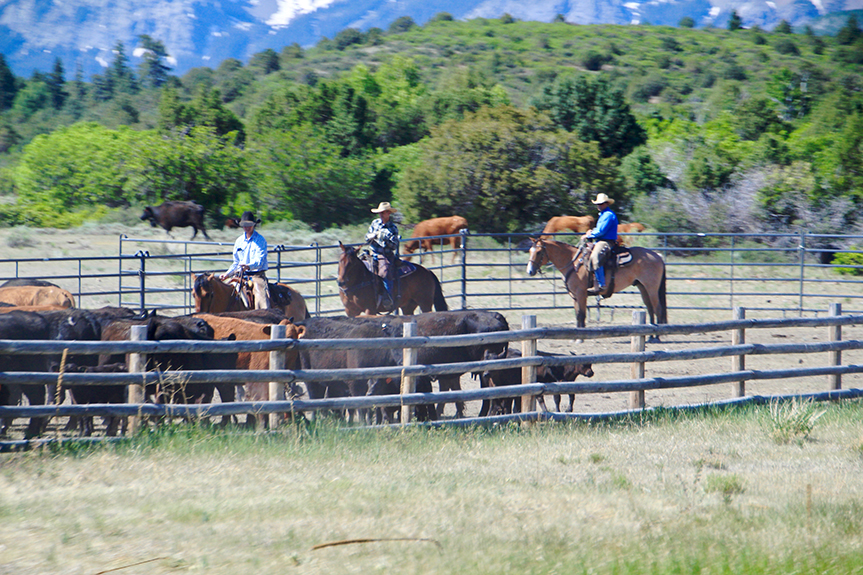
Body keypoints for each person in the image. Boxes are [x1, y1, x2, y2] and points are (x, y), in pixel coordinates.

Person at [221, 211, 270, 309]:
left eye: (249, 225)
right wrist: (227, 274)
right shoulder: (239, 241)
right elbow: (236, 262)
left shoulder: (260, 240)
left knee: (261, 297)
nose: (246, 227)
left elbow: (259, 261)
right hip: (240, 276)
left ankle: (265, 316)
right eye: (244, 225)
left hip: (256, 275)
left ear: (253, 225)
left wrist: (248, 266)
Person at [364, 202, 400, 311]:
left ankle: (387, 298)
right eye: (379, 212)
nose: (381, 214)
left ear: (388, 213)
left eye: (383, 212)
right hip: (372, 252)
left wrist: (387, 239)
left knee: (384, 272)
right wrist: (373, 236)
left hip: (385, 255)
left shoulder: (393, 228)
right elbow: (366, 237)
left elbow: (394, 245)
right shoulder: (375, 223)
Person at [583, 193, 619, 296]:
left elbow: (601, 231)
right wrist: (591, 232)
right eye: (598, 204)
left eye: (601, 203)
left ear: (606, 203)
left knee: (595, 257)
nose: (599, 205)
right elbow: (599, 230)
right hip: (600, 240)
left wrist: (589, 235)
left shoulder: (608, 215)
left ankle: (601, 284)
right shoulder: (603, 214)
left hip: (606, 241)